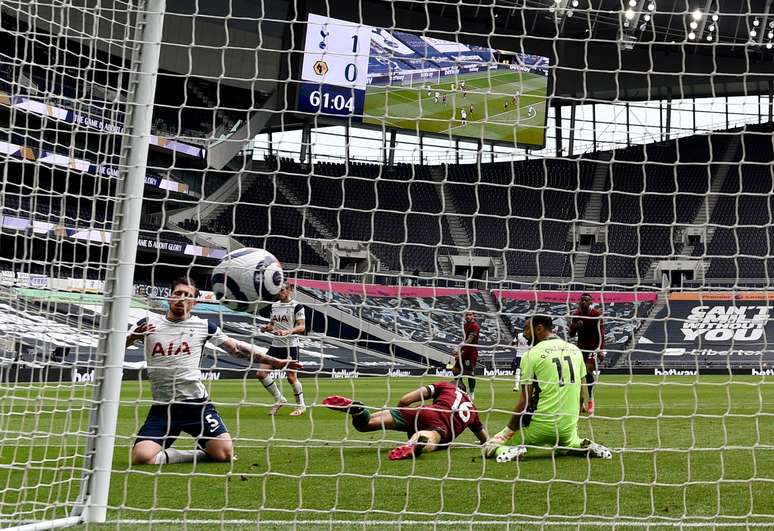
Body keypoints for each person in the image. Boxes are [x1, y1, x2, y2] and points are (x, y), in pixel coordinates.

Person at [126, 277, 302, 465]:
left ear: (194, 302)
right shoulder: (147, 323)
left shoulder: (204, 326)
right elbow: (118, 346)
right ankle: (195, 453)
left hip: (197, 406)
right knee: (142, 457)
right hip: (163, 407)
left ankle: (203, 452)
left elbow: (236, 349)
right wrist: (134, 337)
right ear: (169, 297)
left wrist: (276, 361)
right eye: (178, 293)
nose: (182, 299)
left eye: (188, 296)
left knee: (224, 455)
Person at [484, 315, 611, 462]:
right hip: (567, 428)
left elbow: (524, 402)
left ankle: (510, 449)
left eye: (526, 329)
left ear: (539, 328)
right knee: (567, 444)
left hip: (540, 427)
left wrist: (508, 431)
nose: (524, 335)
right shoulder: (575, 350)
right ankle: (581, 445)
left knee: (490, 446)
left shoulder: (531, 355)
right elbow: (582, 397)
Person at [323, 380, 489, 460]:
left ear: (453, 385)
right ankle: (414, 443)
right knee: (432, 436)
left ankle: (358, 411)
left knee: (367, 424)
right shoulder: (473, 410)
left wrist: (400, 415)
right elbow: (484, 439)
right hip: (443, 425)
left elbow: (405, 399)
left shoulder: (445, 385)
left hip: (424, 411)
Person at [258, 283, 307, 416]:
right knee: (261, 374)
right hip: (275, 345)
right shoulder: (275, 305)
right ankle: (280, 398)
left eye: (282, 290)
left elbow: (302, 326)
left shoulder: (297, 306)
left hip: (290, 346)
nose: (279, 293)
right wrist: (265, 328)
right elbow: (272, 324)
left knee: (291, 377)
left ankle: (301, 406)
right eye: (277, 291)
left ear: (289, 290)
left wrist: (288, 331)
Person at [568, 293, 605, 415]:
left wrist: (601, 349)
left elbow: (601, 334)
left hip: (594, 349)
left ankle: (591, 401)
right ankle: (580, 403)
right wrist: (575, 326)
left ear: (591, 302)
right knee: (578, 376)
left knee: (588, 373)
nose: (584, 302)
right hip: (581, 349)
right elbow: (571, 334)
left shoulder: (596, 314)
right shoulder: (576, 315)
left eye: (586, 300)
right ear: (579, 302)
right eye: (582, 300)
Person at [447, 311, 480, 400]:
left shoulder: (475, 326)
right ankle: (461, 391)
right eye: (467, 315)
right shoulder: (465, 326)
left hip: (471, 352)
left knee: (469, 374)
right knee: (455, 370)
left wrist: (458, 348)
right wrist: (459, 350)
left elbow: (470, 339)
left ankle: (472, 394)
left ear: (473, 316)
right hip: (464, 350)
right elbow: (465, 339)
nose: (468, 316)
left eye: (470, 315)